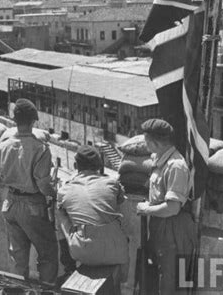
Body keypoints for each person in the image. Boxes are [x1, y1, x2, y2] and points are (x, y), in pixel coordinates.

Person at [0, 98, 58, 287]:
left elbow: (1, 174)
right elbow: (42, 184)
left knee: (18, 255)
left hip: (10, 203)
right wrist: (54, 193)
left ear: (15, 120)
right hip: (32, 206)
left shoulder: (3, 146)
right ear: (33, 121)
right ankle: (46, 290)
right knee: (47, 252)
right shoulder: (40, 149)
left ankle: (17, 290)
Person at [136, 118, 197, 295]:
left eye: (146, 140)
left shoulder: (175, 165)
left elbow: (172, 208)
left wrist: (145, 209)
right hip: (161, 228)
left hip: (173, 230)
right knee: (159, 280)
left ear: (155, 142)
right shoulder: (160, 160)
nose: (144, 143)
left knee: (170, 284)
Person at [56, 145, 129, 290]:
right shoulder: (112, 183)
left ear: (76, 165)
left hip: (83, 252)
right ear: (99, 166)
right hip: (116, 250)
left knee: (60, 212)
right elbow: (121, 203)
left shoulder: (64, 189)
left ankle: (68, 264)